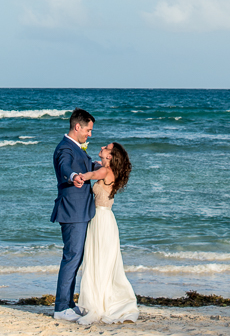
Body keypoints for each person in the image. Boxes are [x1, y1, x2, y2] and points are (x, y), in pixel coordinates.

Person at [70, 142, 138, 324]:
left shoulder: (105, 171)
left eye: (106, 147)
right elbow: (96, 169)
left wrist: (81, 176)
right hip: (106, 219)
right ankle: (102, 301)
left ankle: (97, 304)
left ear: (110, 156)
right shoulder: (110, 170)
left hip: (100, 220)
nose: (102, 147)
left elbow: (93, 174)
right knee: (103, 263)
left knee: (98, 262)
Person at [50, 108, 96, 320]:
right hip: (72, 211)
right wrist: (73, 176)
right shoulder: (65, 148)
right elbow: (65, 167)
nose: (89, 134)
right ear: (78, 127)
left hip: (80, 211)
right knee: (71, 257)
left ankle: (69, 303)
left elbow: (85, 165)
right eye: (88, 130)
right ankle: (61, 308)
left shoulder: (77, 147)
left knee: (76, 258)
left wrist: (102, 165)